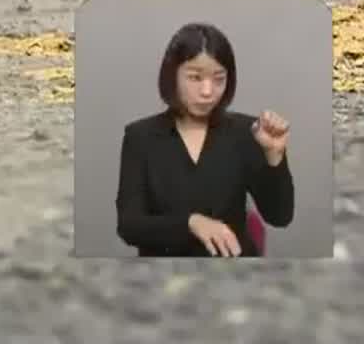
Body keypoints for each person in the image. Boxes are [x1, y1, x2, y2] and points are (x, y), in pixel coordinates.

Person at [115, 22, 295, 257]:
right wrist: (191, 223)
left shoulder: (246, 132)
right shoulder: (140, 137)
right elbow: (129, 226)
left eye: (219, 79)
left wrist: (274, 156)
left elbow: (280, 217)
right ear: (172, 76)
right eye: (195, 77)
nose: (208, 91)